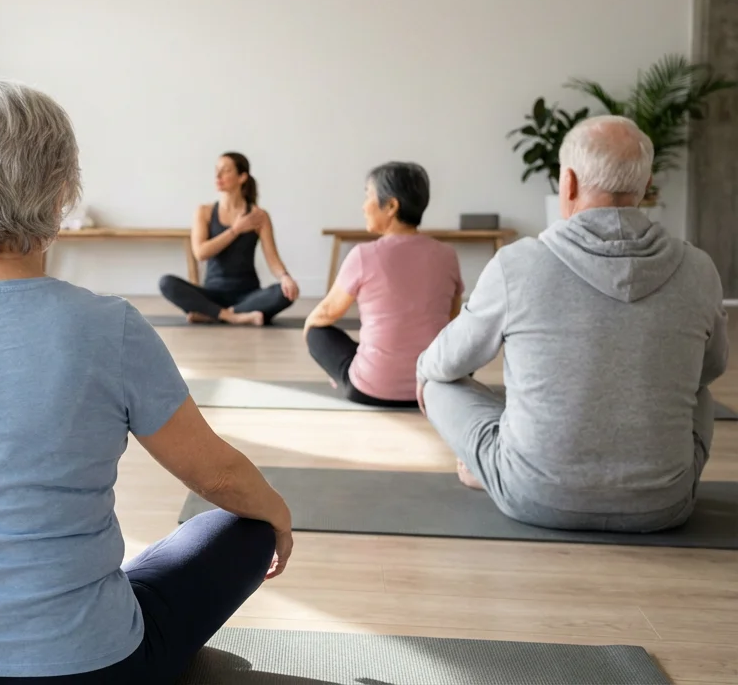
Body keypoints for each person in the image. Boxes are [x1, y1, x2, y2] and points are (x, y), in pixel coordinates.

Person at [0, 81, 294, 683]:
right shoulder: (111, 326)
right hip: (91, 668)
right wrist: (277, 513)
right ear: (63, 190)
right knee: (245, 524)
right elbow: (218, 476)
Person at [417, 116, 728, 532]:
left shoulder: (517, 264)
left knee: (435, 381)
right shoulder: (699, 269)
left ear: (568, 183)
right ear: (647, 185)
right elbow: (711, 367)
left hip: (531, 496)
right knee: (699, 390)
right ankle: (502, 465)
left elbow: (444, 363)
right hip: (663, 505)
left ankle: (493, 468)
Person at [303, 162, 462, 407]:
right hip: (433, 387)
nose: (363, 206)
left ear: (391, 206)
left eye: (368, 195)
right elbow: (453, 319)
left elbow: (326, 313)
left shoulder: (363, 255)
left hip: (372, 389)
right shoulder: (447, 255)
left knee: (317, 332)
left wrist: (309, 333)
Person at [158, 152, 300, 325]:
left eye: (225, 171)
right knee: (166, 283)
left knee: (286, 291)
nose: (218, 176)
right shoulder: (204, 212)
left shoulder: (259, 216)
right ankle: (233, 316)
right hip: (212, 294)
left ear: (242, 177)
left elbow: (273, 259)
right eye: (216, 170)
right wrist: (235, 230)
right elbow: (201, 253)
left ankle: (216, 314)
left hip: (248, 295)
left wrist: (285, 277)